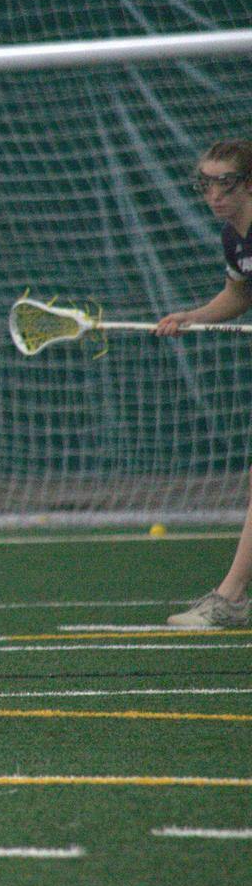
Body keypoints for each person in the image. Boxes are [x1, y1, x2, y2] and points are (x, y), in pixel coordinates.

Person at [156, 139, 252, 629]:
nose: (214, 194)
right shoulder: (233, 238)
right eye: (206, 184)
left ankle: (232, 598)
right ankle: (232, 597)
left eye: (225, 183)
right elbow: (238, 295)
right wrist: (192, 317)